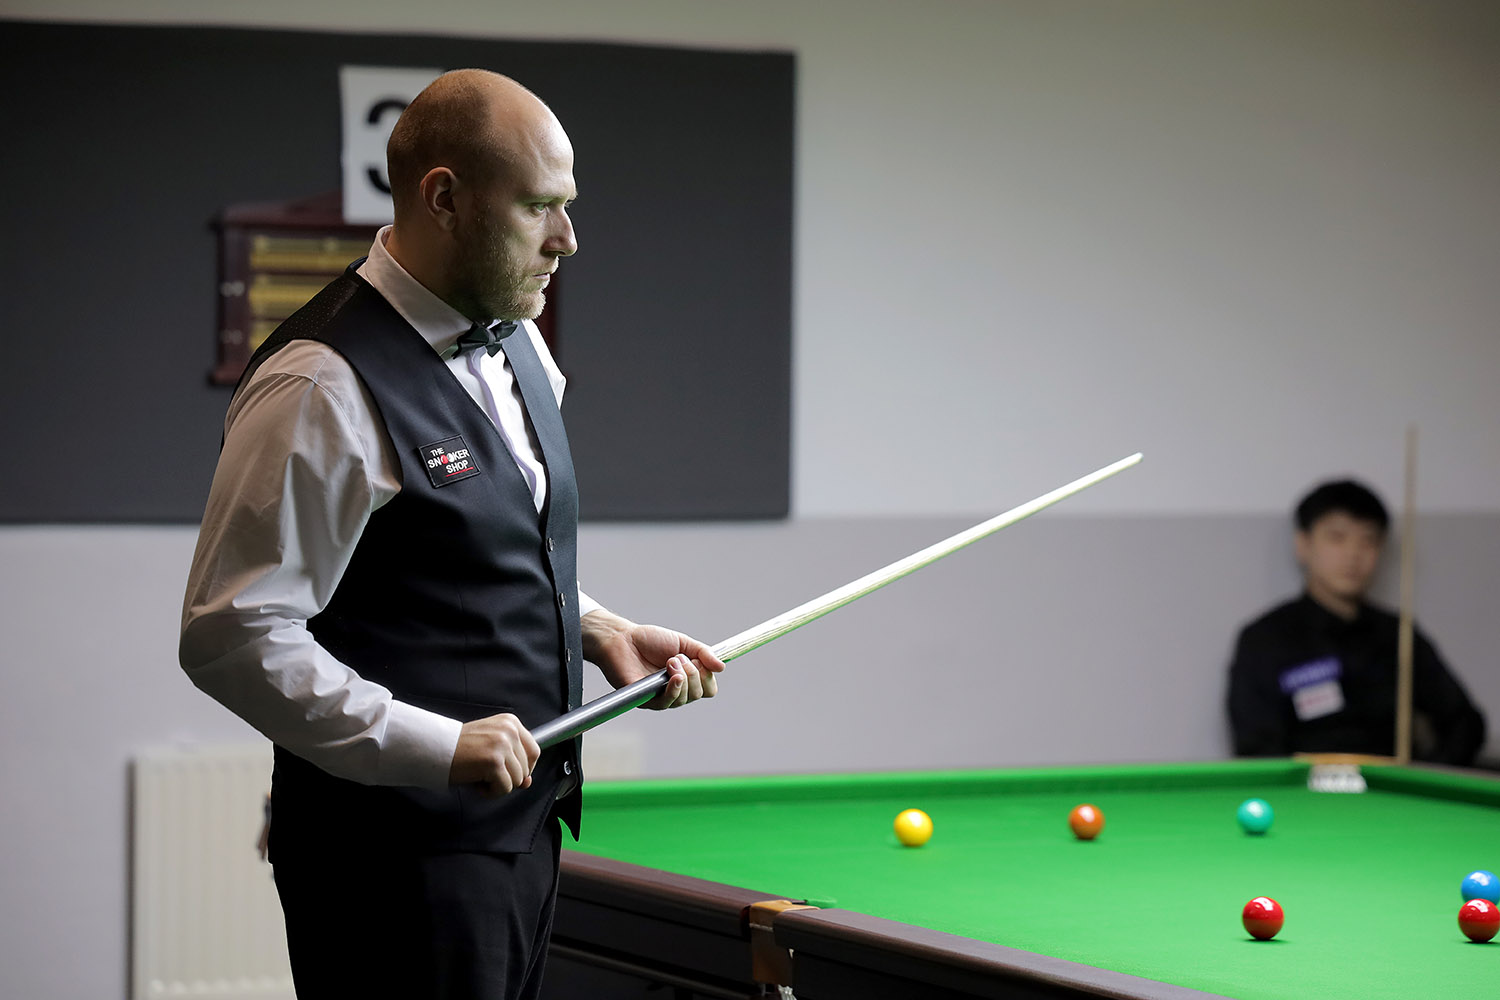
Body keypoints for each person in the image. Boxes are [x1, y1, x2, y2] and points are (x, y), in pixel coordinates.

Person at [180, 69, 726, 999]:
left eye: (568, 206)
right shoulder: (319, 385)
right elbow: (233, 634)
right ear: (444, 198)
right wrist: (436, 744)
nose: (567, 238)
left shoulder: (522, 341)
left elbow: (482, 549)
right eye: (539, 208)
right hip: (389, 862)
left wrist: (598, 629)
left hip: (520, 834)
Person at [1226, 479, 1485, 764]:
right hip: (1306, 788)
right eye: (1337, 538)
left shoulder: (1397, 635)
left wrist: (1426, 776)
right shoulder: (1265, 639)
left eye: (1368, 540)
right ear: (1303, 545)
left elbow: (1466, 723)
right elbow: (1256, 746)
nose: (1353, 554)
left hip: (1392, 786)